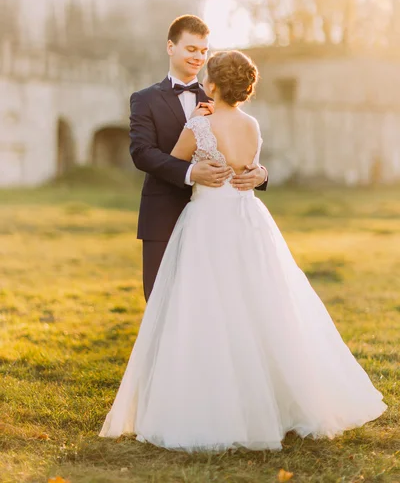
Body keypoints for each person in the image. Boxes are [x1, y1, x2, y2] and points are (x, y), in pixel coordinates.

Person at [100, 49, 387, 451]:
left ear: (212, 85)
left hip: (207, 221)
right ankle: (275, 399)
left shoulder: (199, 124)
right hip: (248, 218)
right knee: (259, 304)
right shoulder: (252, 124)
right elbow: (253, 167)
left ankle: (211, 401)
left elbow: (174, 164)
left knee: (207, 309)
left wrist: (195, 155)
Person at [129, 15, 268, 301]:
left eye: (204, 51)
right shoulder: (144, 99)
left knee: (215, 302)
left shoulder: (221, 92)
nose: (198, 57)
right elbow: (142, 153)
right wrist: (191, 173)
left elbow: (242, 151)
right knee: (160, 301)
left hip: (218, 220)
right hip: (163, 215)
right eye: (191, 49)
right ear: (171, 47)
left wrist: (262, 174)